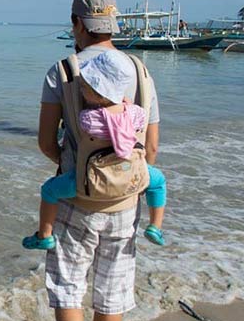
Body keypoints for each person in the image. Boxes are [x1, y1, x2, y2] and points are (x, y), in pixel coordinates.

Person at [38, 0, 161, 321]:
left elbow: (44, 142)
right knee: (113, 290)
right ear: (112, 25)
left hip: (77, 198)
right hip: (126, 202)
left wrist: (75, 169)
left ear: (77, 24)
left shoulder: (63, 71)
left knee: (68, 287)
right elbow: (153, 147)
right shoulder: (141, 70)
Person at [23, 49, 167, 251]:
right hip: (128, 175)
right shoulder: (134, 113)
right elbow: (147, 135)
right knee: (158, 182)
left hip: (88, 181)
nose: (81, 87)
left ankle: (44, 235)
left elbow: (65, 134)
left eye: (85, 85)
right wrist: (126, 105)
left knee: (49, 190)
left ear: (97, 93)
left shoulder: (88, 118)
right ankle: (155, 225)